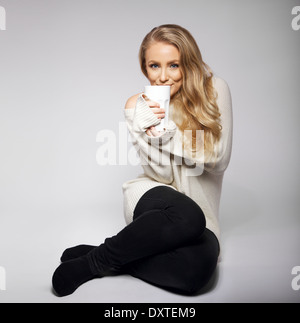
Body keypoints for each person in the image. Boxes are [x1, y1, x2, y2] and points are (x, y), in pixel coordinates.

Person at [52, 24, 233, 297]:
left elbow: (218, 159)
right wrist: (150, 124)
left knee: (195, 273)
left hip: (201, 219)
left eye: (174, 65)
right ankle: (96, 262)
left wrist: (165, 135)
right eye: (154, 66)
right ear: (144, 68)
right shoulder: (140, 105)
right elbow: (160, 174)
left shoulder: (215, 89)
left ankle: (116, 256)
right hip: (151, 198)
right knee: (186, 214)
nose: (163, 77)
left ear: (189, 64)